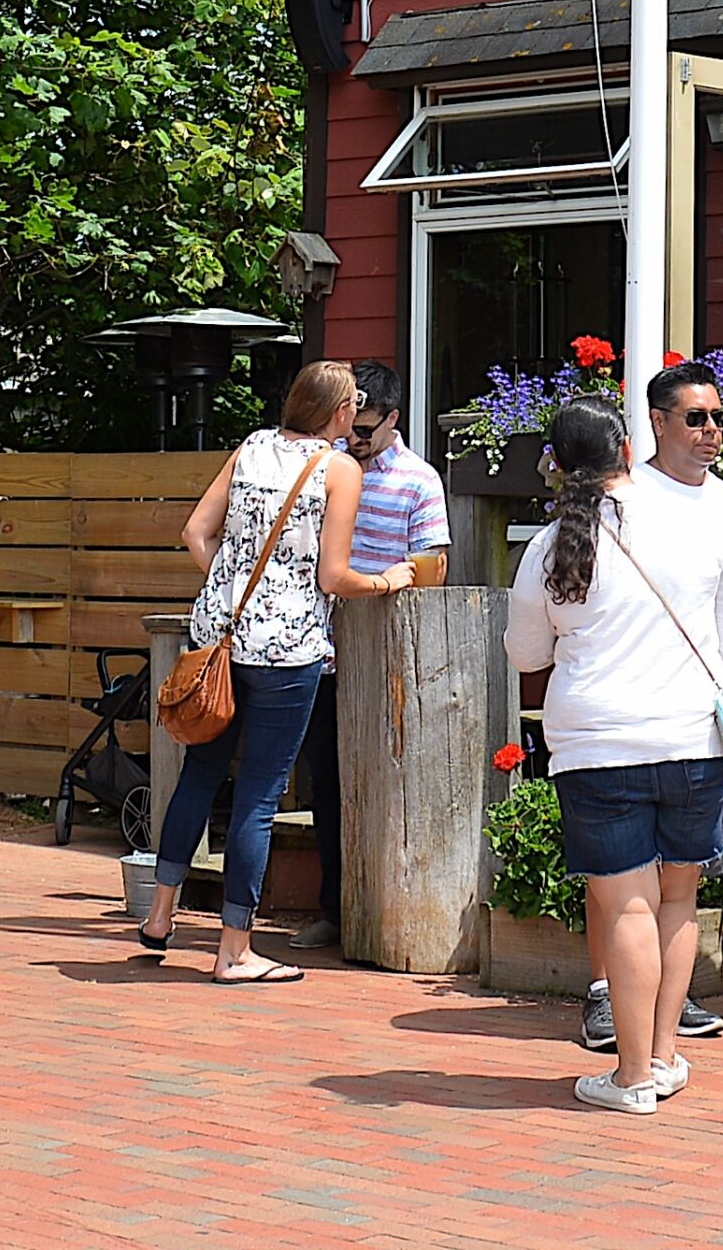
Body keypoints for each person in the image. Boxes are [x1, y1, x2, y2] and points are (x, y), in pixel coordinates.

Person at [505, 366, 723, 1116]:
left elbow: (526, 654)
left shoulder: (552, 544)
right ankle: (660, 1056)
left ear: (556, 465)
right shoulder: (695, 518)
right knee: (678, 901)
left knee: (625, 905)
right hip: (693, 738)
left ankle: (628, 1077)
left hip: (598, 740)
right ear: (629, 444)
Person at [139, 362, 417, 983]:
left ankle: (160, 917)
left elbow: (194, 532)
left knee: (200, 775)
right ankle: (234, 950)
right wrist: (388, 579)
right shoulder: (338, 467)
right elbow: (334, 577)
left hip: (221, 634)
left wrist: (233, 588)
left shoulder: (252, 447)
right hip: (286, 649)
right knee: (260, 798)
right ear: (340, 411)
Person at [291, 361, 451, 951]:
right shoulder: (321, 465)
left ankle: (382, 914)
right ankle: (334, 909)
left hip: (385, 656)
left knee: (387, 785)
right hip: (318, 649)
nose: (352, 439)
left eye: (364, 430)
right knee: (327, 786)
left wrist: (387, 583)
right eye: (347, 428)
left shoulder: (417, 479)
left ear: (393, 420)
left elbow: (434, 567)